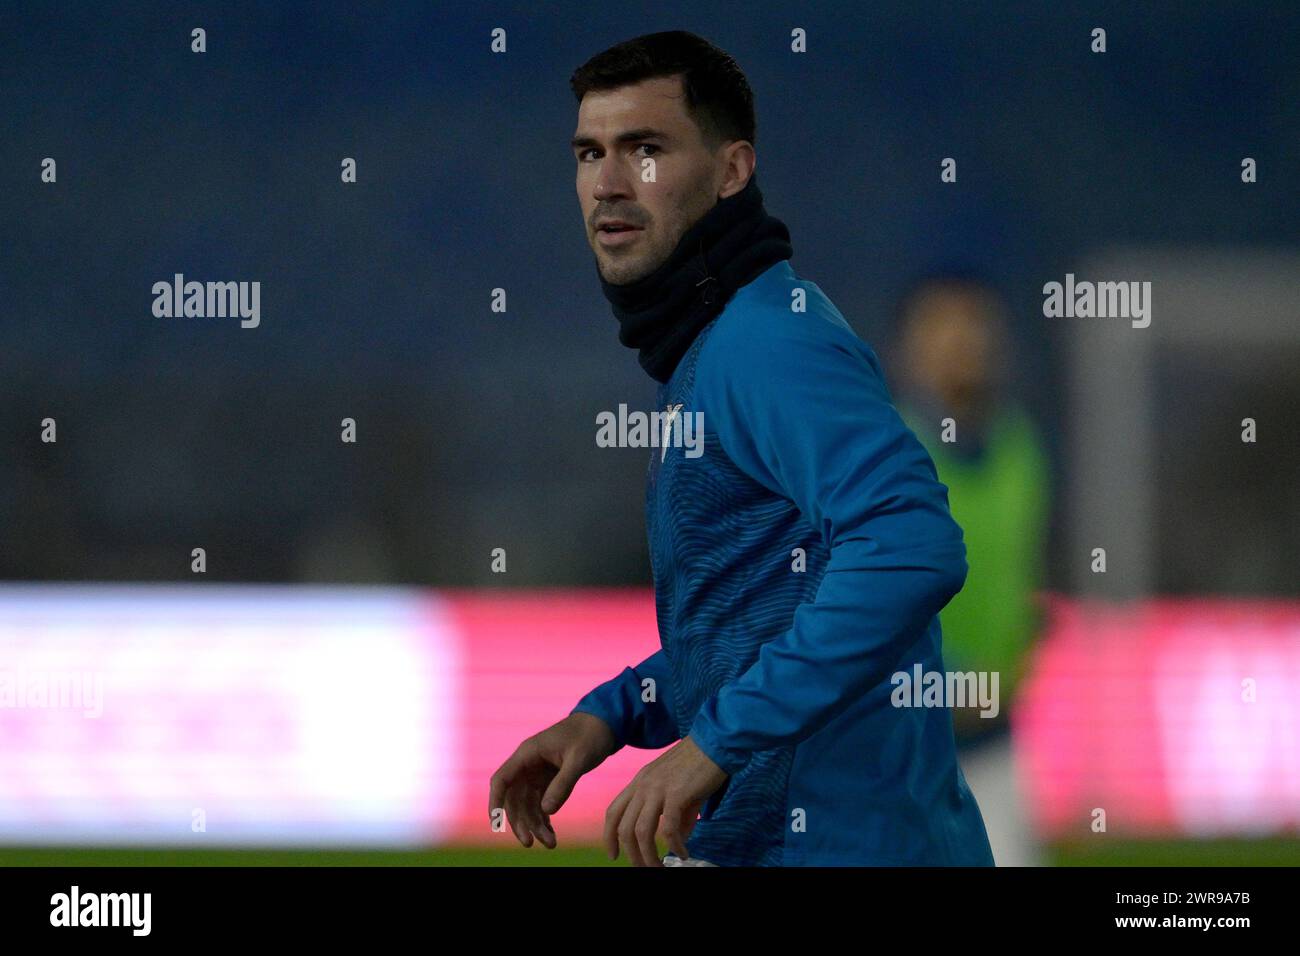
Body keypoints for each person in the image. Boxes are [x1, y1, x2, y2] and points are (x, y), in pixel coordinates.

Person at [488, 30, 993, 867]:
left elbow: (911, 546)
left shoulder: (766, 345)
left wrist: (714, 741)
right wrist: (609, 716)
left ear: (731, 171)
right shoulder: (719, 344)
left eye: (645, 149)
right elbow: (751, 619)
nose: (609, 183)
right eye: (589, 153)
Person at [894, 271, 1052, 866]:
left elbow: (1020, 572)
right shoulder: (883, 450)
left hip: (995, 743)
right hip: (898, 748)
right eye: (943, 324)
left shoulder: (1019, 447)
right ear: (909, 345)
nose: (963, 340)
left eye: (975, 324)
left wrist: (1023, 646)